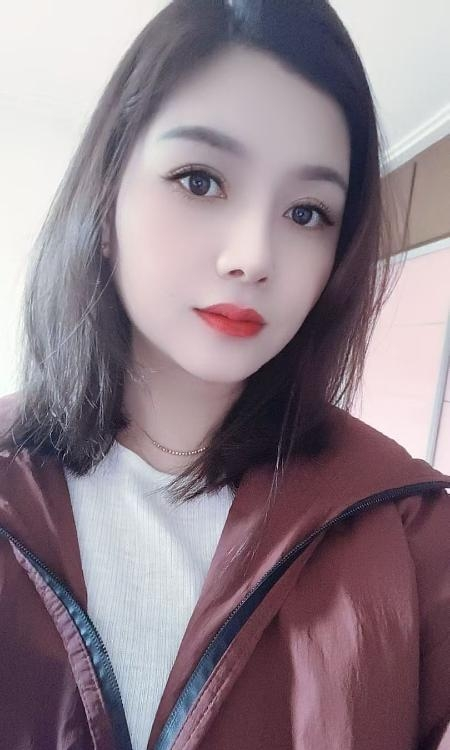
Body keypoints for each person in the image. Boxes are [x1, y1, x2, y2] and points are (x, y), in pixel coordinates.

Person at [0, 1, 449, 748]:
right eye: (200, 180)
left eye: (307, 213)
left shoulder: (409, 528)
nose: (254, 257)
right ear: (105, 202)